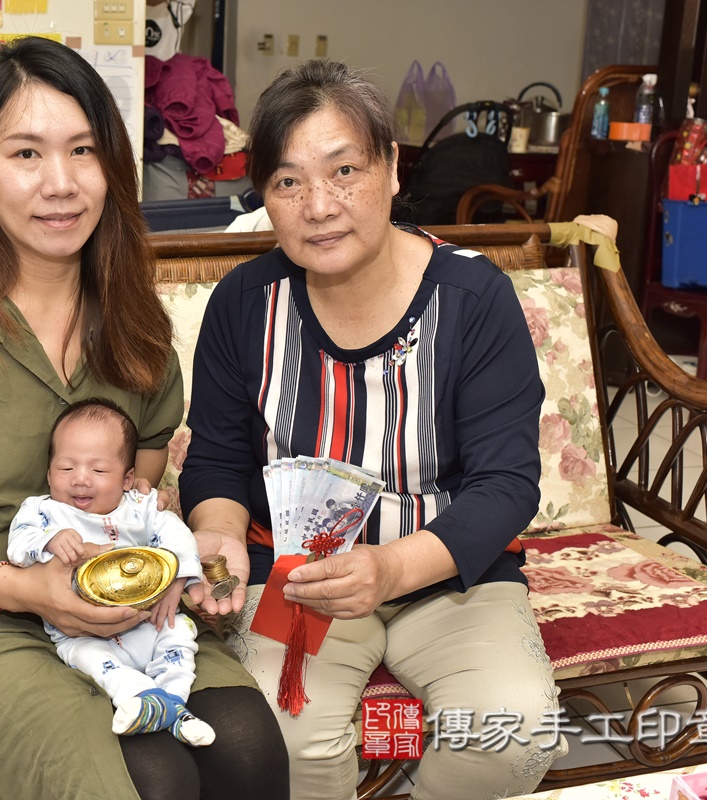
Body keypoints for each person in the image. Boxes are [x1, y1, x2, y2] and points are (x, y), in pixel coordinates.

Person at [0, 36, 286, 800]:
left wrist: (172, 566)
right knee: (146, 777)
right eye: (26, 153)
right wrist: (25, 588)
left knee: (249, 749)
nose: (60, 183)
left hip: (112, 610)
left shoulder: (135, 327)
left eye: (82, 150)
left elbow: (138, 489)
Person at [178, 59, 563, 800]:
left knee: (513, 735)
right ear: (264, 196)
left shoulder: (472, 297)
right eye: (288, 182)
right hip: (298, 574)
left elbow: (505, 484)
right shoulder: (245, 304)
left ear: (390, 167)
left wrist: (388, 569)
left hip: (449, 575)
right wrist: (218, 536)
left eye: (344, 170)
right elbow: (219, 460)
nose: (319, 206)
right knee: (278, 739)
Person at [8, 398, 214, 747]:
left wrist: (178, 577)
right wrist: (48, 540)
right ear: (49, 474)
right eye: (66, 468)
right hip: (80, 629)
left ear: (127, 478)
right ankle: (140, 698)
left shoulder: (140, 507)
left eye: (99, 471)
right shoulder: (43, 513)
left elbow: (176, 534)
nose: (80, 479)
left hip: (146, 617)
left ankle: (174, 700)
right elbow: (17, 547)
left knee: (179, 634)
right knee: (91, 660)